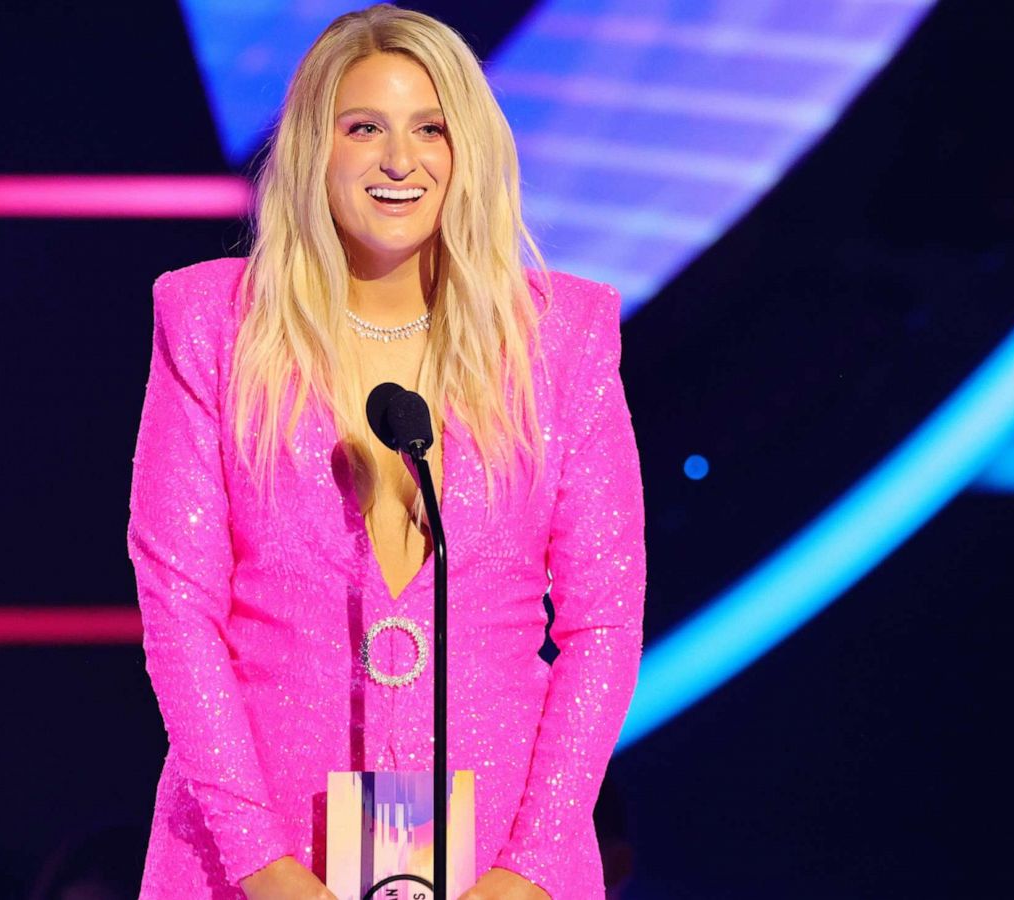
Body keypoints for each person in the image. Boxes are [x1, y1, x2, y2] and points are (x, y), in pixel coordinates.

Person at [126, 5, 644, 899]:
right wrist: (266, 869)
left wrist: (527, 870)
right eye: (364, 127)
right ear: (311, 150)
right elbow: (179, 611)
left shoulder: (561, 339)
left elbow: (603, 623)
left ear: (467, 150)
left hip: (502, 857)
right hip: (248, 856)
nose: (400, 160)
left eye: (430, 128)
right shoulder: (213, 323)